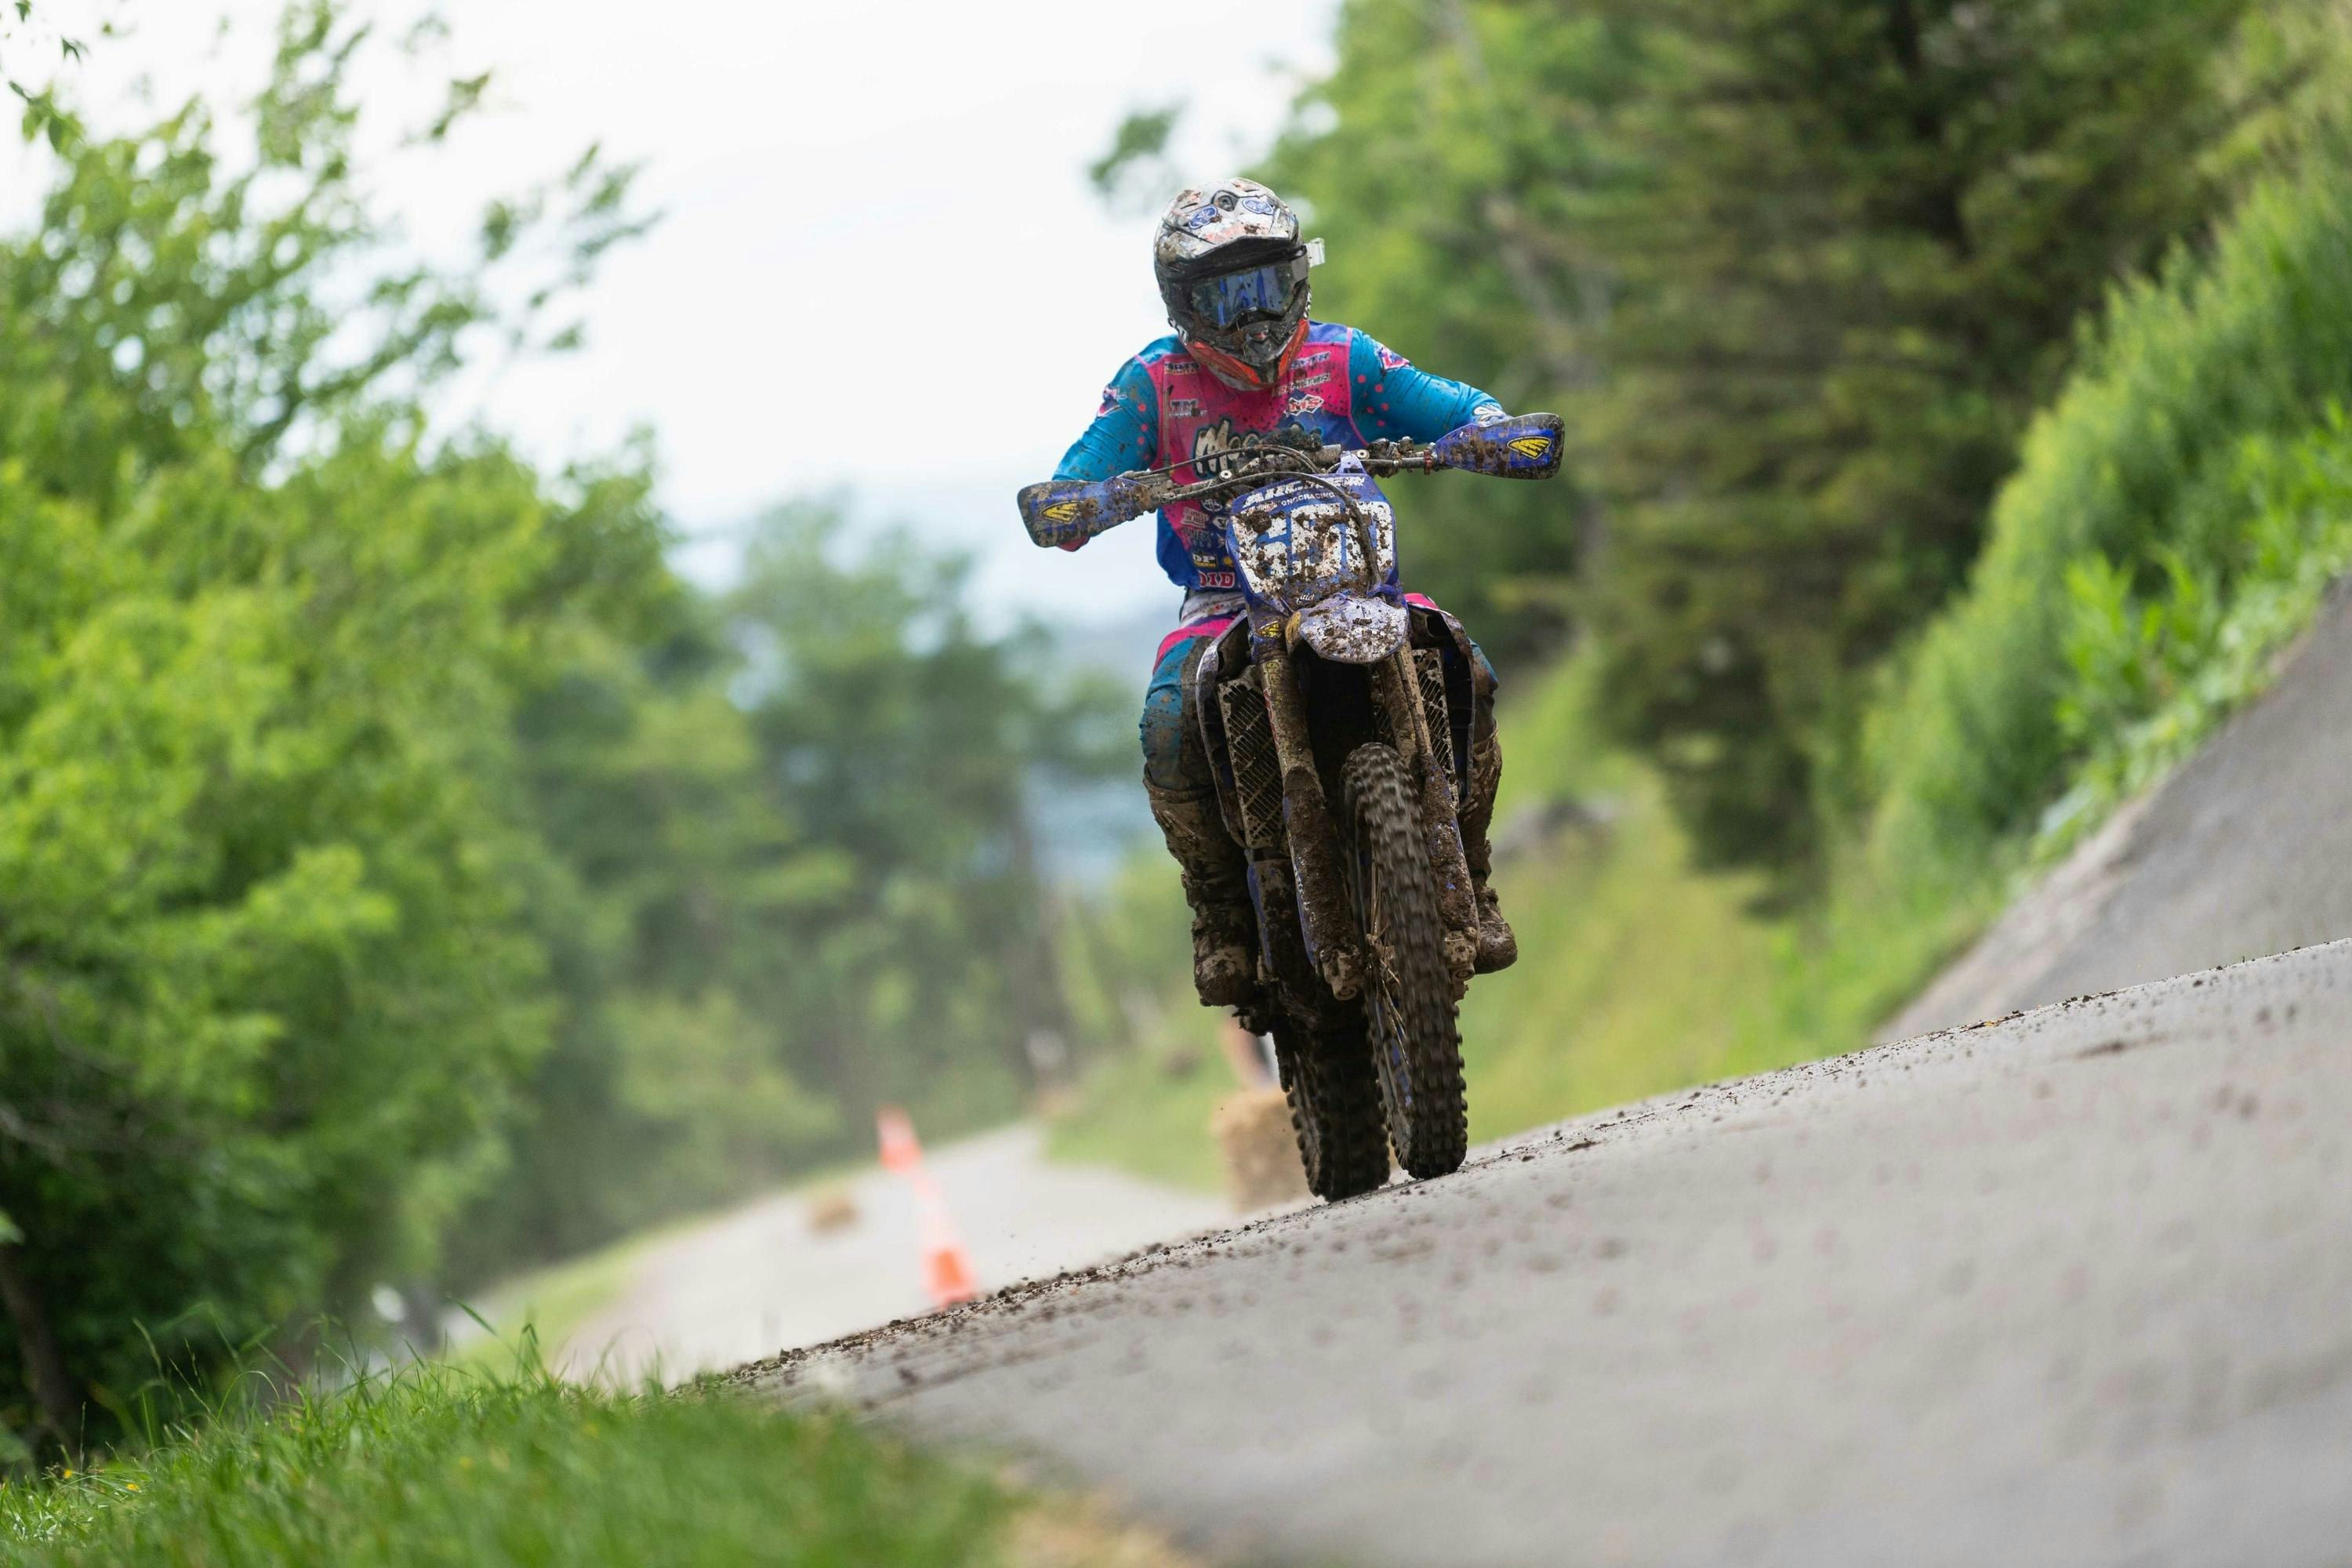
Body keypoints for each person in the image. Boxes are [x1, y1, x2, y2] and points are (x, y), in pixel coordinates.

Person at [1046, 177, 1517, 1007]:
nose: (1251, 317)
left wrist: (1487, 429)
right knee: (1166, 719)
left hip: (1361, 583)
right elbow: (1081, 474)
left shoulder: (1344, 358)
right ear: (1182, 304)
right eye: (1224, 298)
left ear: (1298, 273)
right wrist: (1078, 501)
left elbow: (1450, 403)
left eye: (1263, 286)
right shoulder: (1152, 385)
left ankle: (1471, 874)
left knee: (1465, 665)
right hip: (1223, 602)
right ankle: (1221, 910)